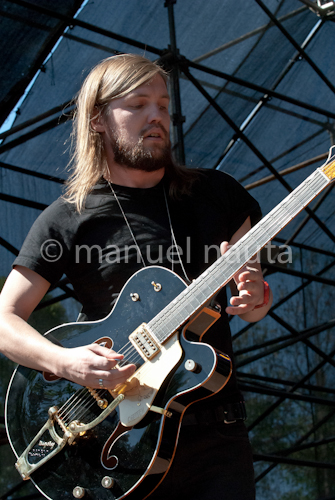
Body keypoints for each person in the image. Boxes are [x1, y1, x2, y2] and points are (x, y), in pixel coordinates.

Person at [0, 54, 272, 499]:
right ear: (98, 120)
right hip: (117, 443)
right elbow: (4, 320)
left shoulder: (219, 195)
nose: (157, 116)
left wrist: (255, 298)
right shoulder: (67, 219)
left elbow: (254, 295)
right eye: (138, 103)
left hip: (216, 438)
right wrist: (64, 362)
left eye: (163, 105)